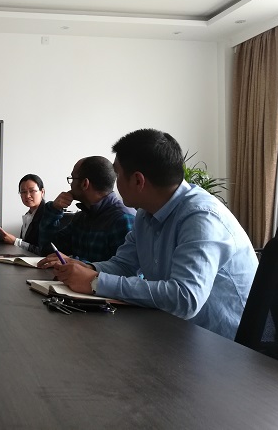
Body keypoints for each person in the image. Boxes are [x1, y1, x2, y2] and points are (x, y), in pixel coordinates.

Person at [49, 129, 258, 340]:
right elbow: (124, 265)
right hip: (173, 331)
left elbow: (185, 298)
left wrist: (96, 282)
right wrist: (87, 269)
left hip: (224, 345)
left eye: (118, 175)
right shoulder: (145, 213)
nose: (115, 184)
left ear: (138, 181)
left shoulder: (201, 217)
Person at [37, 156, 135, 262]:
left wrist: (74, 263)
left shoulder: (123, 219)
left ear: (85, 184)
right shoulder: (81, 217)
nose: (71, 185)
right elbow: (48, 249)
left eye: (72, 179)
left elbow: (125, 269)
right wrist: (53, 210)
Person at [0, 174, 46, 254]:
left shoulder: (47, 215)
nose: (27, 195)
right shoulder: (28, 215)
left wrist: (15, 241)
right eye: (23, 192)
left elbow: (44, 251)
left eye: (32, 191)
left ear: (42, 192)